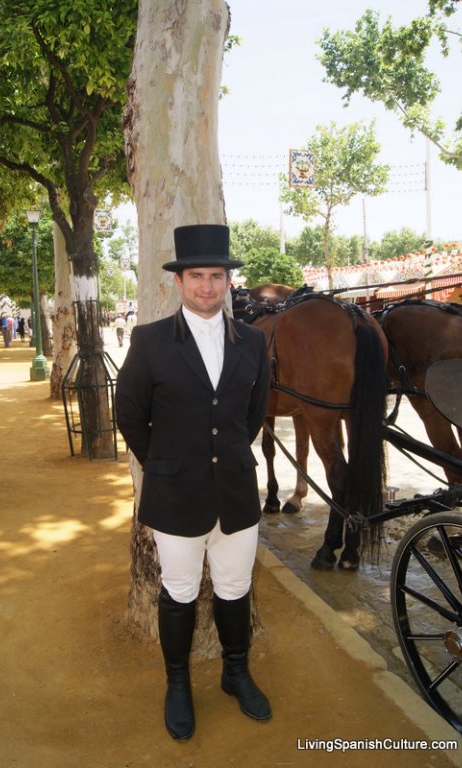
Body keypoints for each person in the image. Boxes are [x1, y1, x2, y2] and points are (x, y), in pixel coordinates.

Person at [115, 224, 271, 741]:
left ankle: (235, 672)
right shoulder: (150, 340)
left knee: (235, 587)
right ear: (178, 282)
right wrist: (163, 464)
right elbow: (130, 414)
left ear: (228, 281)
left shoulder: (252, 340)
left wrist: (223, 456)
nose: (207, 286)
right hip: (175, 493)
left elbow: (253, 414)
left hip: (235, 490)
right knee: (178, 592)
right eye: (197, 276)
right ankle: (177, 683)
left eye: (217, 276)